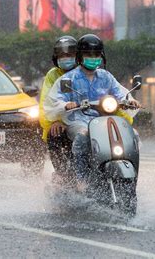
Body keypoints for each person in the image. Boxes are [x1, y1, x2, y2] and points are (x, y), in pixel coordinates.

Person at [45, 34, 140, 191]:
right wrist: (66, 104)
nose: (93, 58)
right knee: (83, 135)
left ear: (101, 56)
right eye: (89, 55)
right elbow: (54, 100)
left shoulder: (106, 76)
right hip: (78, 121)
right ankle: (81, 179)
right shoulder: (69, 78)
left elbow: (120, 93)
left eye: (96, 55)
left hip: (103, 120)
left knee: (133, 134)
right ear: (80, 56)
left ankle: (133, 178)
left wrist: (130, 101)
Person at [39, 35, 78, 182]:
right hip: (62, 123)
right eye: (61, 55)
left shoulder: (87, 72)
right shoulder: (52, 75)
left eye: (69, 55)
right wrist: (53, 122)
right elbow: (46, 103)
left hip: (87, 120)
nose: (65, 58)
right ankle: (62, 175)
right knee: (53, 134)